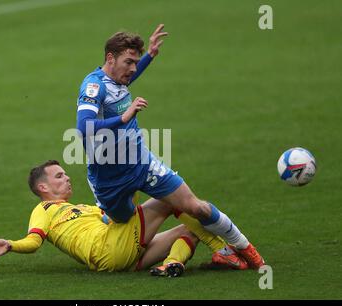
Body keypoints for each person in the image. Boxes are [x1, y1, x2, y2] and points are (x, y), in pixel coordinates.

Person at [75, 24, 265, 269]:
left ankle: (245, 248)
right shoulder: (93, 86)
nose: (133, 69)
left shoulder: (119, 78)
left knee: (196, 206)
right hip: (109, 179)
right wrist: (123, 118)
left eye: (135, 63)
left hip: (142, 164)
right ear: (110, 58)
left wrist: (150, 56)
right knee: (124, 219)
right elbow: (84, 126)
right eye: (129, 62)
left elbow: (125, 80)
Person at [0, 160, 249, 276]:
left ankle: (170, 265)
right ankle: (223, 250)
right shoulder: (44, 211)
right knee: (170, 199)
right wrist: (10, 244)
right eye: (59, 176)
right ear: (43, 188)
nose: (67, 177)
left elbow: (114, 220)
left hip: (120, 255)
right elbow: (33, 242)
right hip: (107, 250)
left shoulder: (85, 209)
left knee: (189, 231)